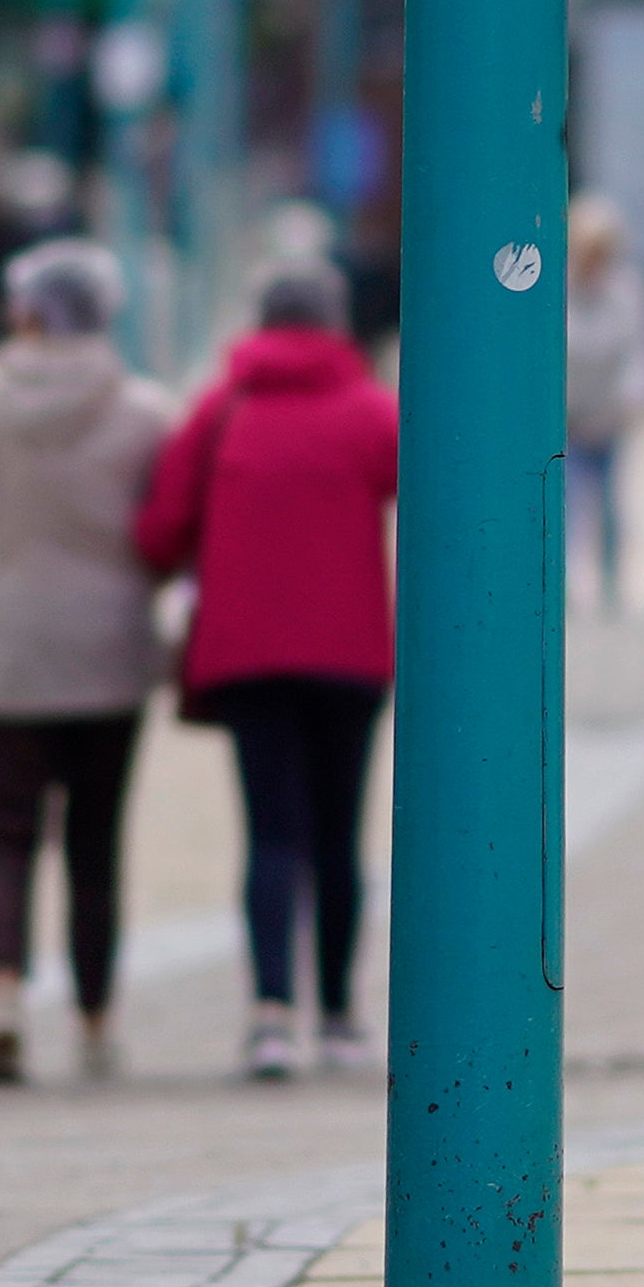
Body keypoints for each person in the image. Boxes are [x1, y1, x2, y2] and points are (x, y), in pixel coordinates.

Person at [136, 259, 397, 1080]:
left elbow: (158, 530)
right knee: (339, 838)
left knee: (270, 835)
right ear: (333, 324)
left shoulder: (221, 408)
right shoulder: (371, 412)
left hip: (245, 655)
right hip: (351, 653)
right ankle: (342, 1018)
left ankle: (269, 1017)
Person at [0, 235, 175, 1085]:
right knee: (95, 845)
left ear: (32, 311)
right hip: (109, 654)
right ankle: (94, 1023)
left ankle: (3, 1002)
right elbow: (167, 529)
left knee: (5, 839)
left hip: (9, 655)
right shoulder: (145, 412)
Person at [558, 193, 644, 617]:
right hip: (569, 417)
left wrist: (632, 399)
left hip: (610, 415)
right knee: (565, 502)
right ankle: (561, 583)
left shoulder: (630, 289)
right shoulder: (558, 287)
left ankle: (610, 581)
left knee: (610, 505)